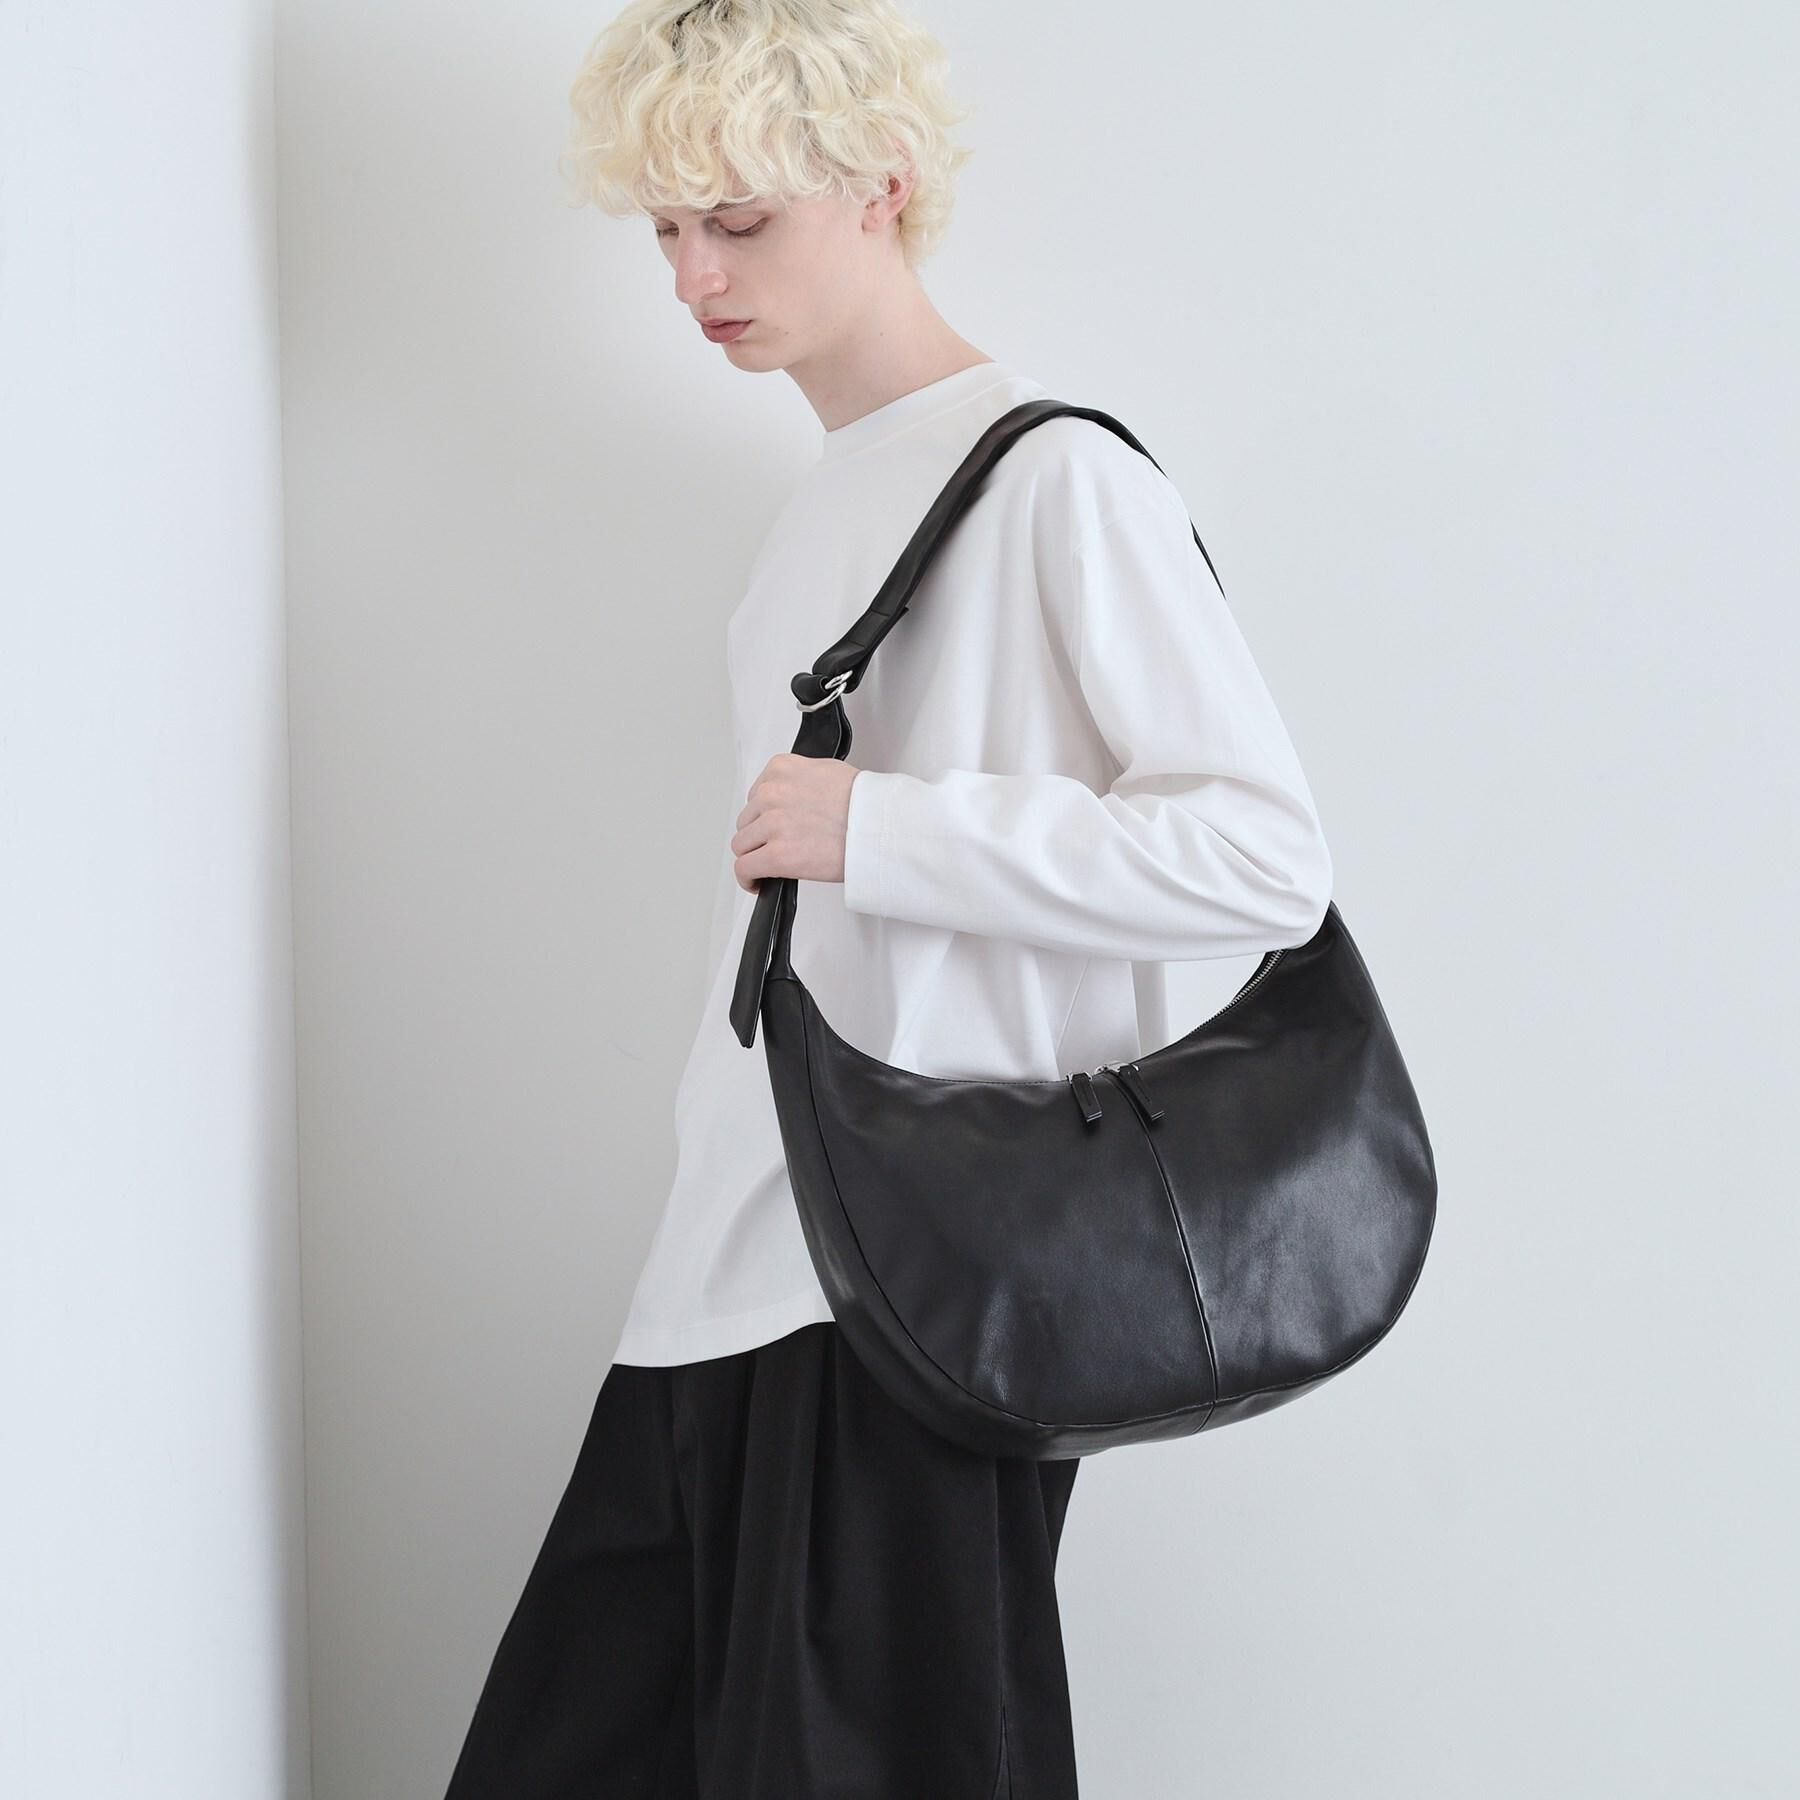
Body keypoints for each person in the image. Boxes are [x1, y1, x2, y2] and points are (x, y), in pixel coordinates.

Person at [443, 2, 1333, 1795]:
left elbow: (1263, 855)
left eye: (739, 220)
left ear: (884, 188)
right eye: (665, 229)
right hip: (732, 1259)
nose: (693, 276)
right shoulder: (816, 515)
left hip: (914, 1278)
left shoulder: (1055, 476)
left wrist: (889, 829)